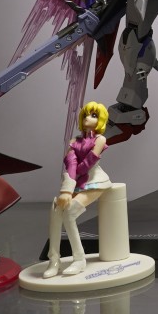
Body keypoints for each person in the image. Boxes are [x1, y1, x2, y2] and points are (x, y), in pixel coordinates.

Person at [46, 101, 112, 278]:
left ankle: (79, 259)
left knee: (69, 212)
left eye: (94, 115)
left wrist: (68, 190)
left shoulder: (100, 139)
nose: (88, 118)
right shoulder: (74, 141)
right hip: (75, 182)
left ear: (101, 120)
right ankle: (54, 260)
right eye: (86, 115)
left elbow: (86, 165)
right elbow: (71, 164)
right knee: (56, 209)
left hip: (95, 181)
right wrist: (67, 189)